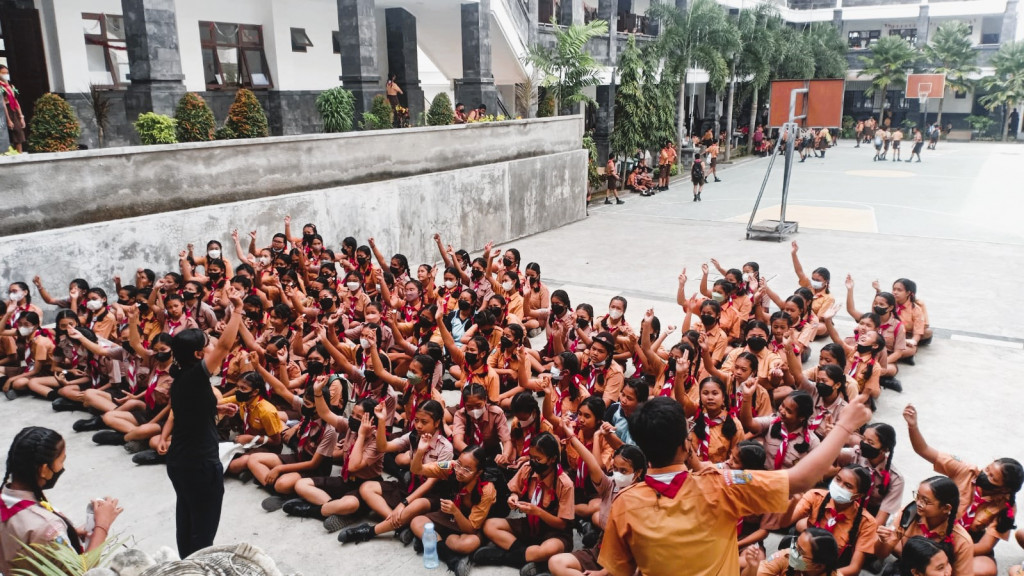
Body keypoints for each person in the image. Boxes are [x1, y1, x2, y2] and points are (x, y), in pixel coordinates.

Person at [597, 392, 873, 576]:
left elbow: (621, 570)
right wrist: (844, 426)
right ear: (686, 444)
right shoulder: (723, 485)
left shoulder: (624, 504)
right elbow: (801, 479)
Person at [165, 287, 245, 558]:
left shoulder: (181, 378)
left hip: (180, 461)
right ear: (199, 355)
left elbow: (189, 409)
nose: (213, 346)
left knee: (187, 518)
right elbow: (225, 346)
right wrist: (237, 310)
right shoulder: (196, 376)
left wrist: (216, 407)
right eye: (208, 344)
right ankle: (196, 568)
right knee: (202, 529)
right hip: (199, 464)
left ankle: (184, 565)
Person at [904, 404, 1022, 576]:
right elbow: (924, 450)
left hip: (966, 544)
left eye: (992, 478)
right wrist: (913, 426)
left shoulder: (1006, 506)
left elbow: (985, 546)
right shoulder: (966, 471)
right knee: (900, 544)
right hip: (936, 529)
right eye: (987, 469)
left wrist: (953, 553)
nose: (984, 474)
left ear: (1004, 488)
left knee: (986, 569)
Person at [1, 426, 122, 573]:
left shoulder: (6, 498)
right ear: (44, 469)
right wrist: (102, 525)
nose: (62, 467)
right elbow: (81, 572)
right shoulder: (46, 526)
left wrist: (69, 534)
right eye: (61, 461)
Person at [0, 65, 25, 153]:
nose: (5, 75)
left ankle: (19, 153)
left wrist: (21, 116)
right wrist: (8, 119)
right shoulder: (1, 87)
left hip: (13, 109)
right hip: (4, 111)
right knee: (5, 134)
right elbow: (3, 103)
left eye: (6, 73)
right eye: (3, 73)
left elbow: (15, 100)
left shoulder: (10, 86)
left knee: (18, 132)